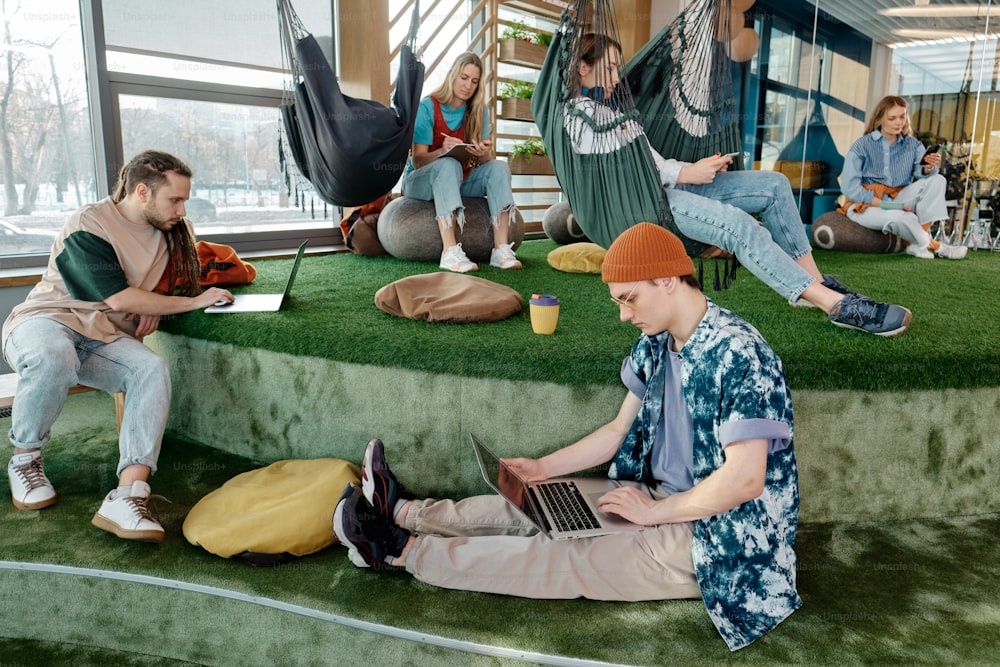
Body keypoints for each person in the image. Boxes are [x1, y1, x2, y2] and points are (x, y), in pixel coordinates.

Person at [334, 223, 802, 651]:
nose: (623, 315)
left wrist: (655, 512)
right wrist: (543, 468)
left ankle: (401, 551)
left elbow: (744, 480)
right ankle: (403, 511)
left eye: (629, 298)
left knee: (570, 555)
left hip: (721, 536)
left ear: (666, 279)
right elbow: (619, 430)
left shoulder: (741, 354)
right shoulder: (658, 342)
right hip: (654, 497)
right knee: (539, 502)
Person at [562, 33, 912, 337]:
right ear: (581, 67)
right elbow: (626, 169)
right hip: (649, 205)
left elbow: (656, 162)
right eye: (608, 67)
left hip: (670, 187)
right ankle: (833, 305)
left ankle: (813, 281)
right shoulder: (575, 119)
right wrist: (684, 175)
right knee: (738, 225)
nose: (615, 76)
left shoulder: (611, 111)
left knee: (774, 185)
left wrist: (696, 168)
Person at [3, 150, 236, 543]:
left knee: (151, 368)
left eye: (184, 200)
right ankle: (25, 459)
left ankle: (129, 493)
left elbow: (171, 283)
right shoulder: (89, 223)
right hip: (45, 322)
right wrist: (177, 302)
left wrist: (157, 305)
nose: (182, 209)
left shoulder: (170, 232)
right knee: (53, 356)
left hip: (103, 338)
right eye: (175, 199)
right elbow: (121, 299)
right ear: (143, 191)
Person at [401, 51, 522, 273]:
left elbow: (486, 163)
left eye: (474, 81)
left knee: (499, 168)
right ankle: (449, 252)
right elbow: (417, 160)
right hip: (419, 181)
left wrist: (482, 152)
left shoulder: (478, 111)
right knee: (449, 164)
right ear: (453, 75)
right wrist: (442, 151)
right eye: (464, 78)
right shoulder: (428, 106)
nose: (468, 85)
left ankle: (501, 249)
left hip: (458, 178)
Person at [840, 95, 966, 260]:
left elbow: (920, 173)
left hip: (899, 197)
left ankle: (918, 241)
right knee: (901, 216)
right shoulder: (862, 146)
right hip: (864, 204)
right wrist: (889, 205)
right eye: (892, 118)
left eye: (902, 116)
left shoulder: (913, 145)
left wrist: (928, 167)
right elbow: (850, 189)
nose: (899, 122)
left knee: (938, 179)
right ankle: (938, 247)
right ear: (879, 120)